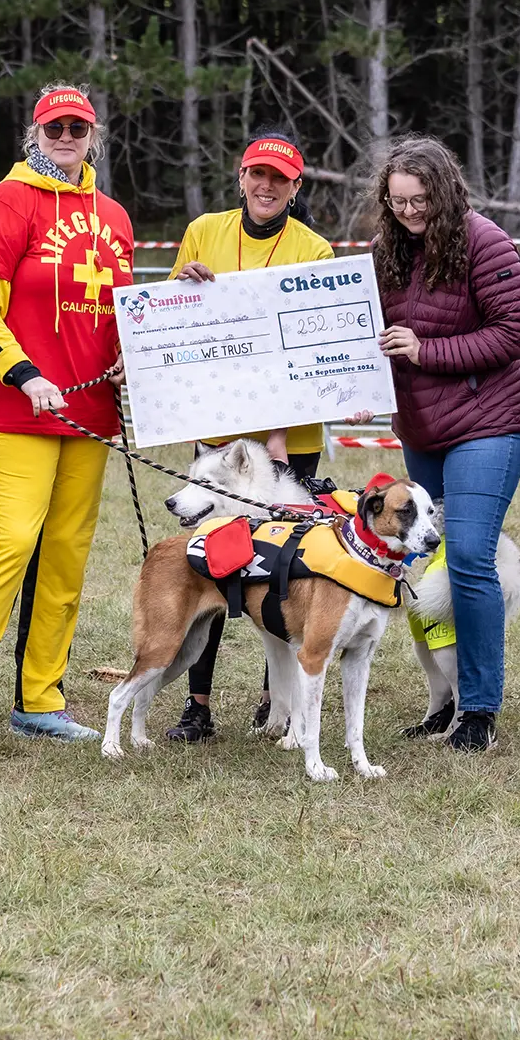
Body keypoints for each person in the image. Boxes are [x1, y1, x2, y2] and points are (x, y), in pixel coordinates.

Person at [0, 83, 135, 754]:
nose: (66, 139)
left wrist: (138, 357)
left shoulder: (114, 215)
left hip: (91, 414)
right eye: (55, 129)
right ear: (34, 134)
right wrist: (24, 372)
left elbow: (124, 312)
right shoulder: (8, 199)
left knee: (66, 557)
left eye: (77, 129)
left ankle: (40, 698)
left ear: (93, 135)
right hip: (16, 409)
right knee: (10, 543)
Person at [158, 126, 334, 744]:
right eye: (257, 174)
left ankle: (277, 700)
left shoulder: (313, 248)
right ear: (241, 177)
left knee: (287, 567)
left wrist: (281, 437)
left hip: (291, 440)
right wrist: (183, 288)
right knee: (212, 559)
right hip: (220, 437)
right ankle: (197, 705)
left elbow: (308, 346)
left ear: (295, 187)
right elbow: (178, 329)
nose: (265, 186)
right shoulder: (205, 230)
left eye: (278, 179)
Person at [367, 134, 520, 753]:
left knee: (466, 556)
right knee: (416, 561)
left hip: (487, 424)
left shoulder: (485, 244)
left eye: (419, 202)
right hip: (422, 429)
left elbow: (513, 334)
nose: (409, 213)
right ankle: (442, 701)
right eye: (398, 202)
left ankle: (480, 709)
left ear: (443, 191)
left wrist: (426, 351)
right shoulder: (386, 249)